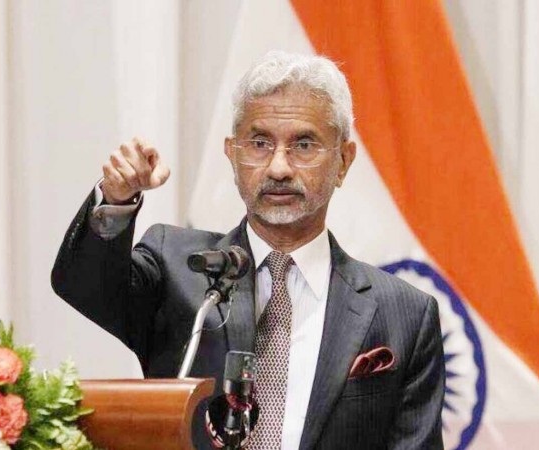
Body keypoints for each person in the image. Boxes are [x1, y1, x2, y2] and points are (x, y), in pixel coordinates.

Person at [52, 51, 444, 450]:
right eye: (259, 143)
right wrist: (116, 199)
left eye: (303, 144)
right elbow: (84, 286)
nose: (278, 168)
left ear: (343, 161)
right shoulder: (177, 266)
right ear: (233, 153)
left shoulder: (404, 315)